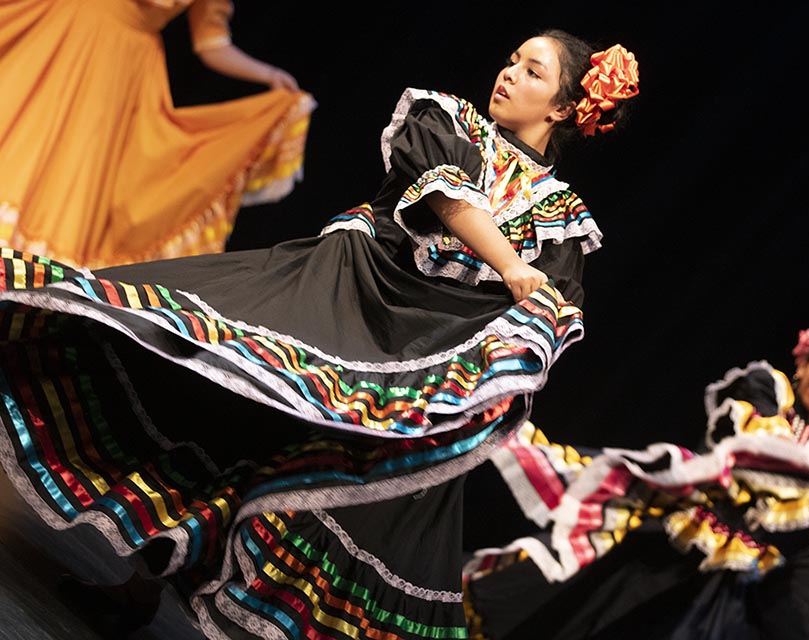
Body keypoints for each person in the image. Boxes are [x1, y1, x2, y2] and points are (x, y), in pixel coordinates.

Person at [0, 29, 640, 638]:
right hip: (345, 290)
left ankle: (144, 595)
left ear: (561, 108)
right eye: (512, 59)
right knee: (228, 390)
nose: (508, 73)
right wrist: (510, 266)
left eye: (533, 71)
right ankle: (133, 591)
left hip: (415, 351)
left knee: (307, 468)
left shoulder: (560, 216)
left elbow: (551, 311)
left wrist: (508, 350)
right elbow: (448, 202)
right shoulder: (445, 118)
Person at [462, 327, 809, 639]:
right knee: (592, 613)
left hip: (729, 577)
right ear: (803, 363)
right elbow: (757, 452)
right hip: (673, 536)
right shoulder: (766, 389)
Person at [0, 0, 316, 269]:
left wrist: (270, 75)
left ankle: (27, 282)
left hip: (121, 73)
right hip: (63, 31)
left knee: (73, 174)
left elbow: (213, 45)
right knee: (21, 138)